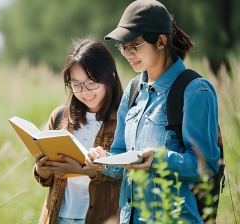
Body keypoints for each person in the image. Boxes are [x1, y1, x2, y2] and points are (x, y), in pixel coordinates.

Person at [84, 0, 221, 223]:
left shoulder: (195, 90)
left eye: (133, 45)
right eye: (122, 46)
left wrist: (159, 159)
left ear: (160, 41)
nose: (126, 54)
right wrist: (104, 159)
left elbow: (206, 165)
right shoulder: (133, 89)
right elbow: (122, 156)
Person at [33, 36, 124, 224]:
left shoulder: (125, 120)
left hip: (102, 218)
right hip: (57, 217)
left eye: (92, 82)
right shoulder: (59, 117)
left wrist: (83, 170)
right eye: (76, 84)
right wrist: (41, 169)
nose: (84, 91)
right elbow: (47, 180)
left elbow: (128, 175)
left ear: (111, 78)